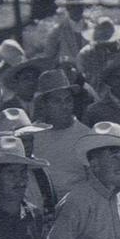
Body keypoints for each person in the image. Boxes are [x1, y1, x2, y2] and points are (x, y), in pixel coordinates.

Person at [30, 68, 92, 200]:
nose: (65, 106)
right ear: (44, 105)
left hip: (78, 208)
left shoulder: (86, 135)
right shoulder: (32, 135)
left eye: (68, 100)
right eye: (57, 101)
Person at [44, 0, 96, 66]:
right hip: (67, 73)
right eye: (72, 6)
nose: (77, 9)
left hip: (89, 72)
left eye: (79, 6)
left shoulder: (92, 29)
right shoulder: (58, 30)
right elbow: (48, 57)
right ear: (67, 8)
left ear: (83, 7)